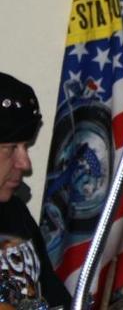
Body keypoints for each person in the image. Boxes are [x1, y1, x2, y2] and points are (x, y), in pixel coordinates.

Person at [0, 73, 71, 308]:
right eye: (11, 148)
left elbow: (55, 298)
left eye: (26, 147)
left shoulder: (15, 212)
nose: (25, 163)